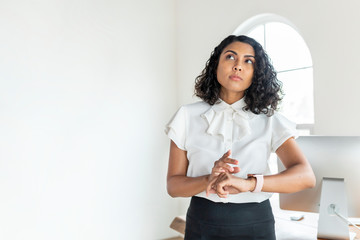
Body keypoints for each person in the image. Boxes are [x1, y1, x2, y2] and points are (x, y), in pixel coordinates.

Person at [165, 35, 316, 240]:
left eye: (248, 61)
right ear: (215, 65)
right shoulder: (186, 116)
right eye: (230, 57)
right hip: (202, 223)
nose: (238, 66)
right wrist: (208, 179)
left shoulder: (270, 121)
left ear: (256, 73)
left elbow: (306, 177)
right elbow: (173, 186)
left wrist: (249, 184)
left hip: (256, 224)